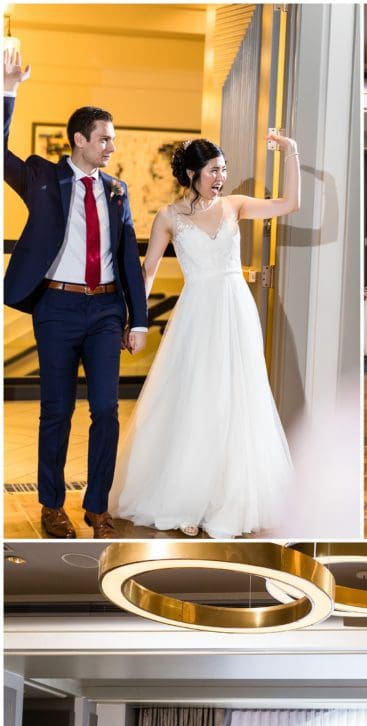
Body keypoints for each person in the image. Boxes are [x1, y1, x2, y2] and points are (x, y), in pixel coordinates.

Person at [109, 131, 299, 537]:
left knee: (238, 397)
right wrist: (133, 319)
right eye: (214, 170)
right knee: (196, 397)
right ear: (193, 172)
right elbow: (147, 272)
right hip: (197, 313)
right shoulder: (169, 217)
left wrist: (290, 153)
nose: (221, 177)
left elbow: (290, 204)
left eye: (224, 170)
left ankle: (225, 496)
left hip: (236, 309)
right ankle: (186, 496)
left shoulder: (236, 206)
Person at [3, 49, 147, 540]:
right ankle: (50, 505)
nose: (110, 146)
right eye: (104, 138)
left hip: (107, 309)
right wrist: (9, 91)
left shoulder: (118, 190)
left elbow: (128, 258)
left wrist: (139, 319)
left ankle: (97, 507)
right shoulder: (42, 176)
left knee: (106, 410)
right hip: (57, 308)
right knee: (57, 411)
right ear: (80, 139)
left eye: (112, 139)